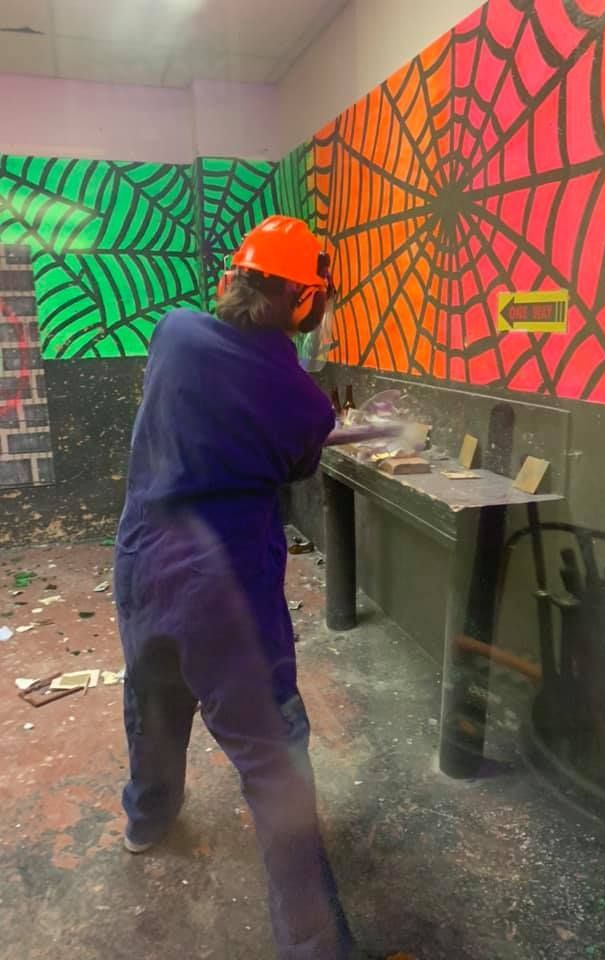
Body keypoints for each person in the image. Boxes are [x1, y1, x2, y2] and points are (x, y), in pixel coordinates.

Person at [114, 216, 400, 960]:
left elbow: (212, 397)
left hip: (143, 568)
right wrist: (326, 398)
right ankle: (313, 945)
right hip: (227, 596)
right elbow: (294, 460)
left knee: (153, 702)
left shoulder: (174, 332)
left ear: (230, 280)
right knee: (274, 762)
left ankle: (146, 821)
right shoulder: (303, 401)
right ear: (307, 305)